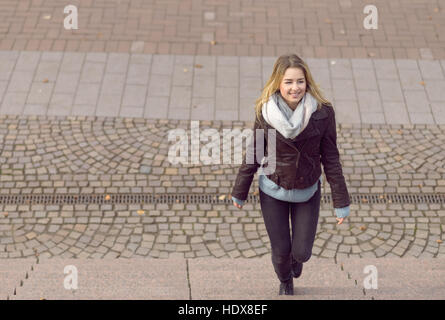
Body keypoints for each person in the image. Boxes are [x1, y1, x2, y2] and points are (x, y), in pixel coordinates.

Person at [230, 54, 350, 296]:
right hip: (273, 189)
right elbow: (254, 153)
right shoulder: (265, 112)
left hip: (307, 190)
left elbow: (331, 158)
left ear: (307, 82)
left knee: (302, 252)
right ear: (278, 83)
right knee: (281, 251)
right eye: (289, 82)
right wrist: (239, 191)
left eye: (300, 81)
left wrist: (341, 201)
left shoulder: (322, 113)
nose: (295, 88)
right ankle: (285, 280)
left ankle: (295, 264)